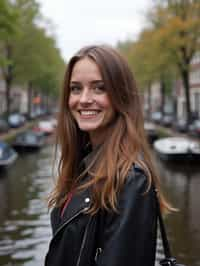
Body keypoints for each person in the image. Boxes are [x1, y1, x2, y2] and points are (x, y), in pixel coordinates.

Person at [45, 45, 170, 266]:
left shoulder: (131, 181)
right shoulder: (83, 166)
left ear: (120, 96)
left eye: (99, 88)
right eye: (75, 88)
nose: (83, 99)